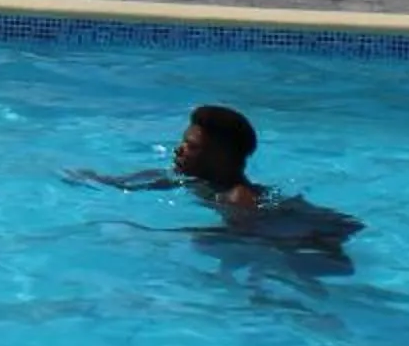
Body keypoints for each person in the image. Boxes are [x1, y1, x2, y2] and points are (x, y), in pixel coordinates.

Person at [67, 103, 363, 262]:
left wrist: (166, 235)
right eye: (182, 142)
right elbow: (151, 180)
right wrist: (94, 179)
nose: (179, 149)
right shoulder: (199, 180)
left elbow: (246, 240)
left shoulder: (237, 198)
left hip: (296, 235)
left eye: (191, 146)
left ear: (219, 157)